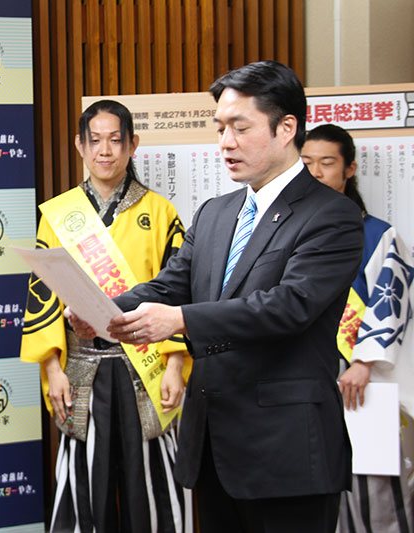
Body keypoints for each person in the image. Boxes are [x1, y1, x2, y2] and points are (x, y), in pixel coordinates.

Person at [67, 61, 365, 532]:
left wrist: (179, 320)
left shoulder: (332, 216)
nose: (225, 142)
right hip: (212, 449)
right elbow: (171, 283)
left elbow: (288, 306)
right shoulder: (215, 212)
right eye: (220, 127)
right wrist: (101, 312)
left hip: (286, 455)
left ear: (286, 128)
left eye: (239, 127)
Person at [21, 99, 192, 532]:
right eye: (95, 140)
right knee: (81, 479)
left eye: (116, 140)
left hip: (145, 367)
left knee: (151, 478)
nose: (105, 150)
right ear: (79, 145)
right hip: (82, 367)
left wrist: (175, 364)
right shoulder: (59, 215)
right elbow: (42, 293)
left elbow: (181, 292)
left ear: (133, 144)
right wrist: (51, 367)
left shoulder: (161, 212)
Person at [302, 123, 414, 532]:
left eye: (326, 163)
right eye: (306, 163)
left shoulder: (379, 235)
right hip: (305, 379)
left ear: (349, 169)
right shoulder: (290, 230)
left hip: (358, 378)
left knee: (373, 488)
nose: (315, 172)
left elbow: (392, 303)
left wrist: (365, 361)